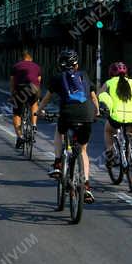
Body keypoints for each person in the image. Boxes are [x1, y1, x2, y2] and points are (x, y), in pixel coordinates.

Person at [38, 49, 99, 204]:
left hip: (67, 113)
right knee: (83, 150)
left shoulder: (58, 78)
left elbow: (46, 98)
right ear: (76, 65)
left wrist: (39, 111)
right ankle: (86, 186)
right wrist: (96, 111)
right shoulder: (84, 75)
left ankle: (58, 163)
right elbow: (93, 97)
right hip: (87, 114)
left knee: (60, 132)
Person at [99, 62, 132, 168]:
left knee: (108, 130)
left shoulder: (109, 83)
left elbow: (100, 95)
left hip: (116, 117)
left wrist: (102, 108)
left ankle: (110, 152)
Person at [9, 49, 42, 150]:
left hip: (21, 89)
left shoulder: (16, 66)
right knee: (34, 104)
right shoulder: (36, 66)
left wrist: (13, 93)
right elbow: (39, 80)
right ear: (30, 58)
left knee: (17, 113)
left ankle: (20, 137)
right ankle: (34, 125)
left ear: (21, 58)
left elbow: (12, 81)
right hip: (33, 88)